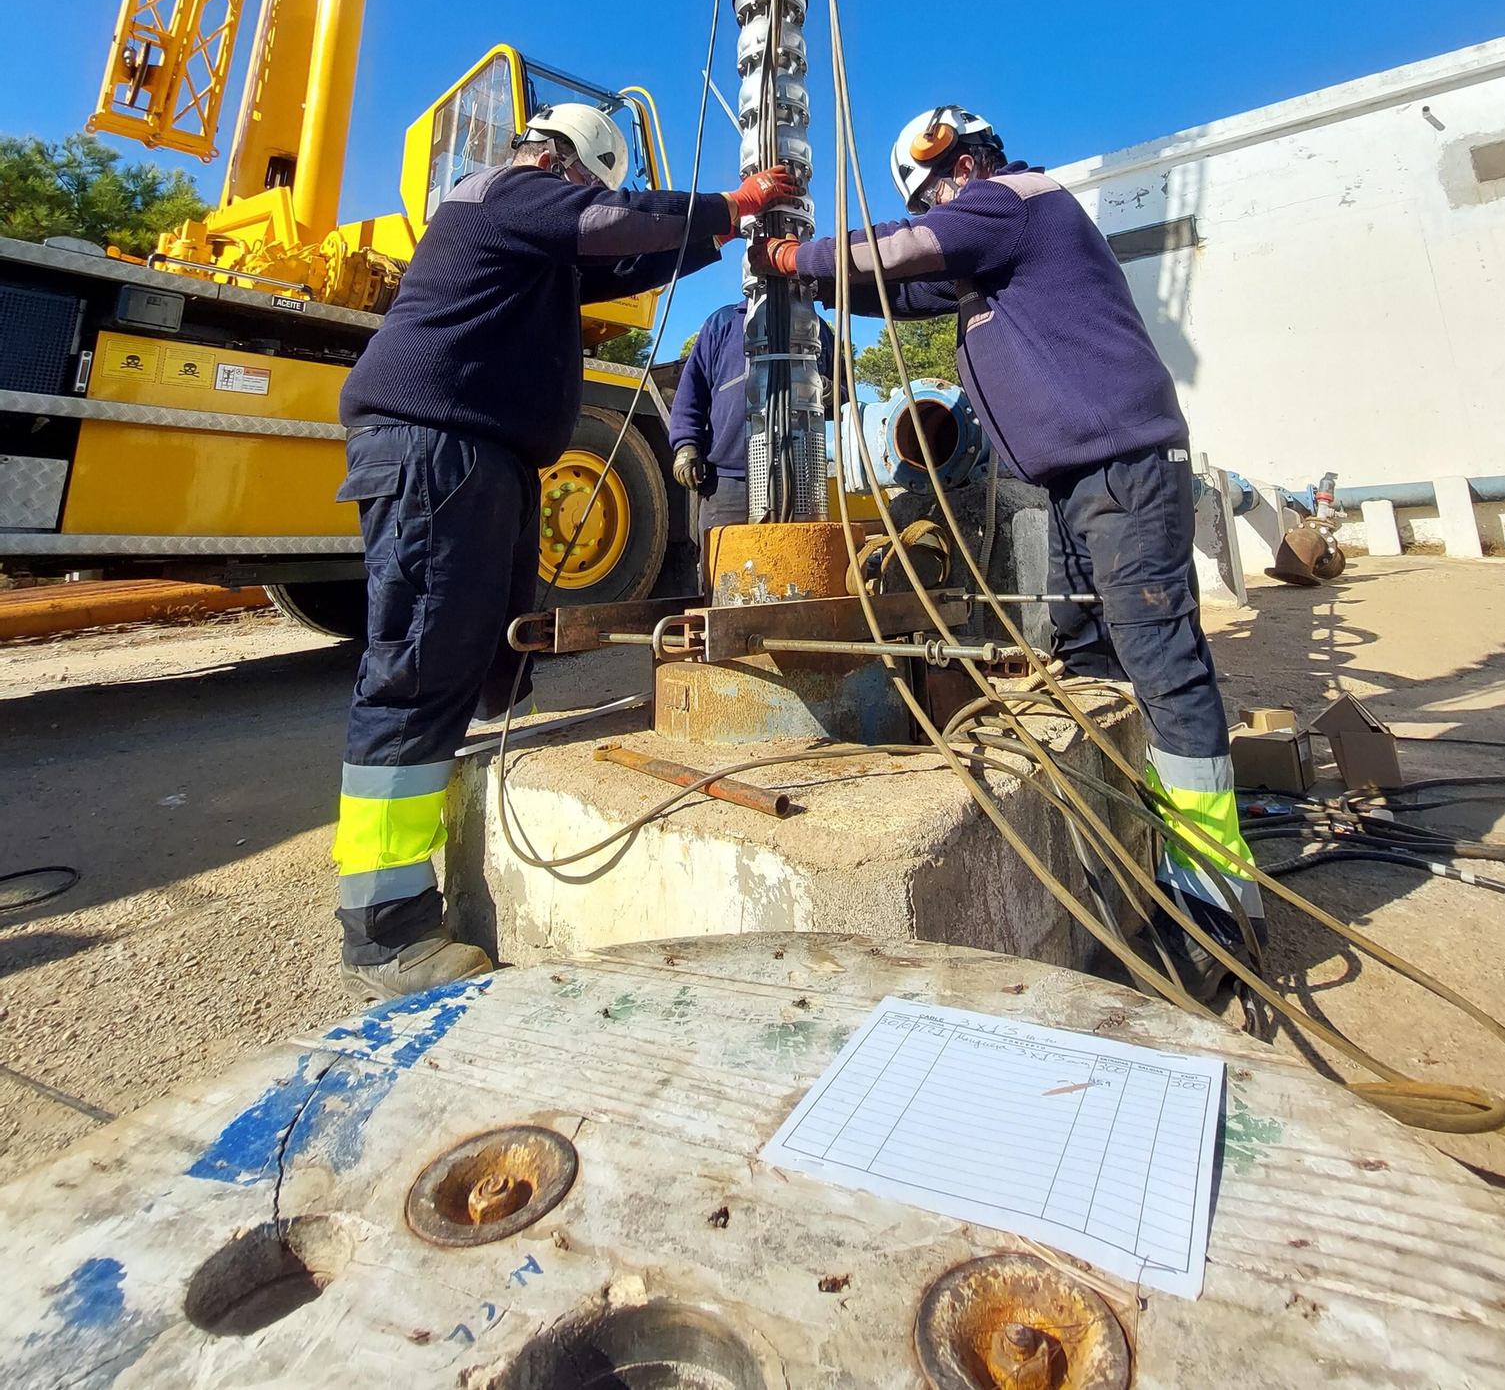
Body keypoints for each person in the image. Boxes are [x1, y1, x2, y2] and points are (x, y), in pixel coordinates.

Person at [752, 103, 1258, 995]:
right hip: (1068, 482)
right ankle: (1127, 834)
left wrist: (797, 255)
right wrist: (807, 278)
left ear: (973, 161)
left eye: (942, 183)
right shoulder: (989, 259)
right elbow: (900, 286)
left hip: (1123, 465)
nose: (942, 198)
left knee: (1162, 663)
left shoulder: (1016, 198)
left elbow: (903, 253)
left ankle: (1216, 898)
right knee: (1080, 653)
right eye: (932, 190)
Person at [332, 102, 798, 1001]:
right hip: (438, 447)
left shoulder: (531, 244)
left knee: (487, 654)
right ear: (570, 164)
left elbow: (625, 252)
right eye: (591, 182)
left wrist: (719, 229)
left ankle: (442, 825)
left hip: (479, 454)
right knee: (421, 668)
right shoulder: (506, 190)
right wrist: (731, 200)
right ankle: (386, 931)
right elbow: (608, 224)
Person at [667, 301, 835, 590]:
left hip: (798, 483)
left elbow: (842, 389)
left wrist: (830, 391)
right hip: (729, 481)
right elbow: (692, 389)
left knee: (795, 578)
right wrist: (685, 445)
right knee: (724, 581)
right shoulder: (724, 323)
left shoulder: (816, 327)